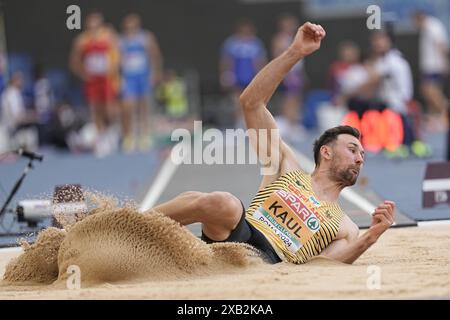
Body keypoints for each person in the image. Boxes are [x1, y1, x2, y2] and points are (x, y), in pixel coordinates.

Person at [153, 22, 396, 265]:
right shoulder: (285, 166)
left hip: (271, 261)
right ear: (326, 152)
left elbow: (323, 267)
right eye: (352, 149)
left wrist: (371, 236)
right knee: (216, 201)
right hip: (239, 235)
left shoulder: (346, 227)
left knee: (213, 201)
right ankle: (129, 225)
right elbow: (251, 103)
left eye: (362, 154)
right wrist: (295, 53)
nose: (360, 158)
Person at [69, 11, 121, 155]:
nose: (93, 25)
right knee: (95, 109)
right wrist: (83, 74)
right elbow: (74, 61)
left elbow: (117, 53)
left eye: (96, 22)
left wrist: (113, 68)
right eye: (91, 23)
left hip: (107, 78)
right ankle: (101, 138)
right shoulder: (82, 40)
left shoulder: (108, 35)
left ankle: (112, 133)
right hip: (92, 79)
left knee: (109, 109)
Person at [119, 13, 163, 152]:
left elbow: (155, 55)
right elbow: (118, 59)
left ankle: (145, 135)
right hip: (129, 77)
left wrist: (155, 72)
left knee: (143, 105)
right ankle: (130, 136)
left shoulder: (145, 37)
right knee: (128, 105)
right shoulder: (122, 40)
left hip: (143, 75)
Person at [220, 19, 267, 128]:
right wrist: (225, 74)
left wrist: (262, 76)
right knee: (237, 100)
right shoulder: (231, 43)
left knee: (252, 100)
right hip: (237, 74)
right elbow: (226, 60)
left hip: (251, 75)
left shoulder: (255, 43)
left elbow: (260, 61)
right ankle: (239, 123)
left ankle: (252, 123)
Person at [271, 14, 306, 143]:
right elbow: (277, 56)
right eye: (287, 25)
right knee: (288, 99)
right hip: (287, 72)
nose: (290, 27)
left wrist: (301, 74)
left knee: (296, 99)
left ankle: (293, 124)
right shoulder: (280, 39)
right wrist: (282, 73)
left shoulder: (295, 38)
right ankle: (288, 125)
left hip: (296, 71)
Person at [414, 10, 449, 131]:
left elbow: (441, 45)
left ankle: (445, 110)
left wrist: (445, 63)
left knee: (431, 92)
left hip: (434, 65)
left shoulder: (433, 26)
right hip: (428, 66)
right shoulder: (426, 28)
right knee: (428, 93)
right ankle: (435, 119)